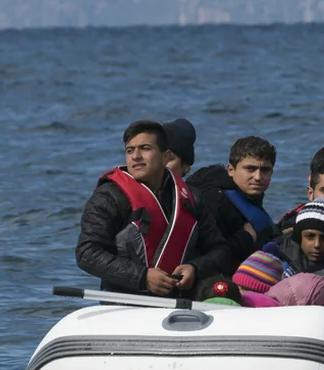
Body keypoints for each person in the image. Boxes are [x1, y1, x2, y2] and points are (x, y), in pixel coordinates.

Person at [76, 120, 232, 297]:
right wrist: (143, 277)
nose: (135, 156)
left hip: (180, 301)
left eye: (145, 148)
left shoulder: (191, 197)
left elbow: (221, 250)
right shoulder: (108, 197)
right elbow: (87, 253)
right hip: (126, 302)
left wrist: (195, 268)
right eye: (130, 150)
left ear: (165, 157)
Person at [185, 136, 279, 267]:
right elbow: (205, 255)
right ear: (231, 170)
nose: (258, 177)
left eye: (265, 170)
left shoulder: (248, 199)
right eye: (250, 169)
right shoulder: (214, 201)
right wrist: (246, 237)